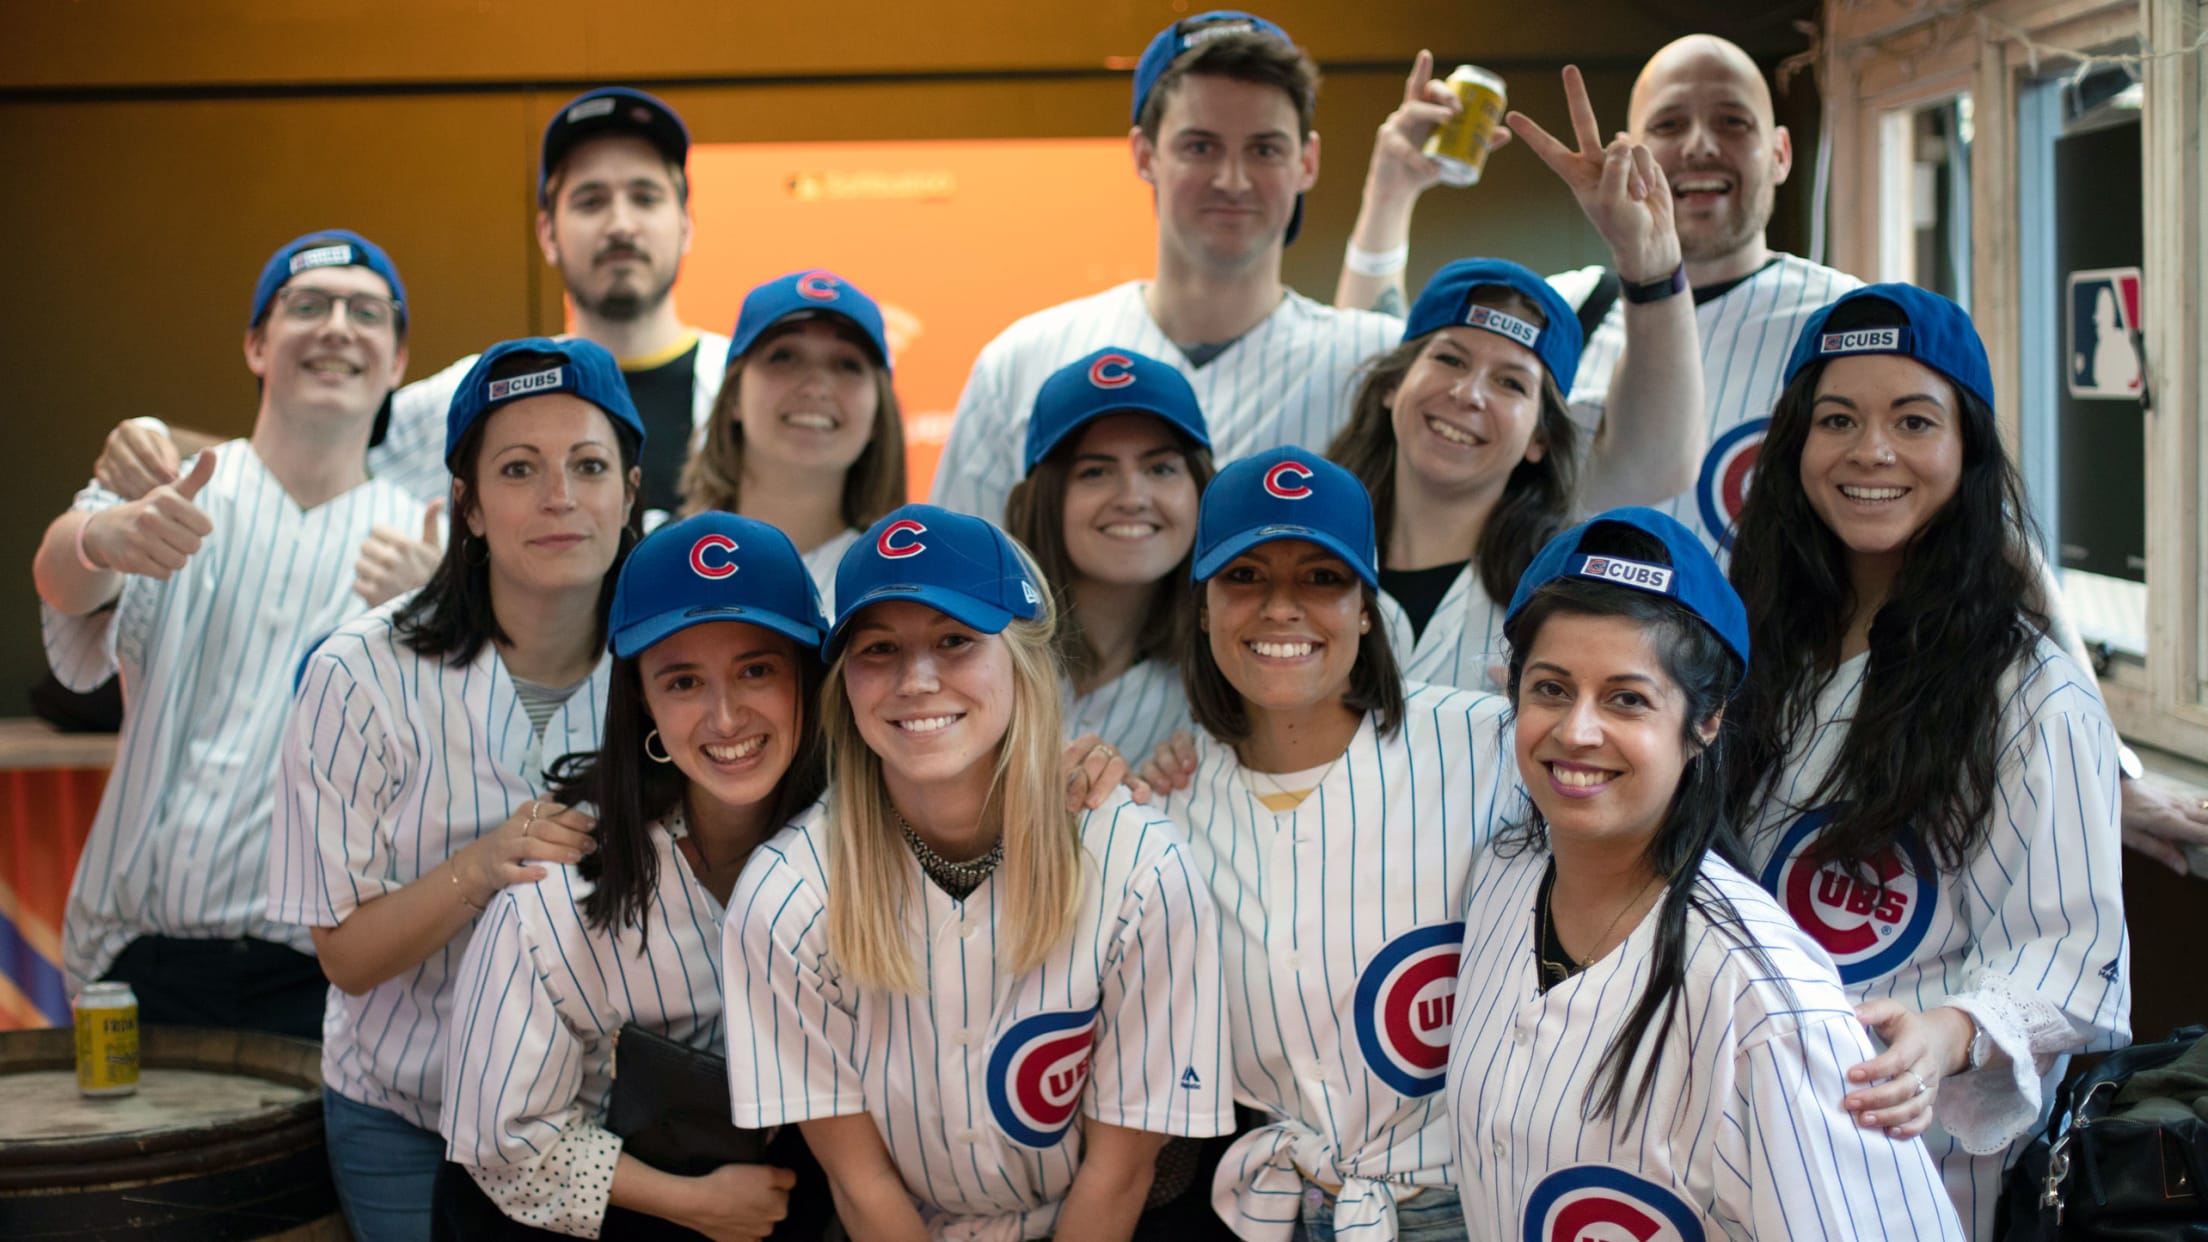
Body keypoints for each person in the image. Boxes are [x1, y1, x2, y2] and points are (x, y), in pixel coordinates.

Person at [1334, 32, 2208, 882]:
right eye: (1669, 124)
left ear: (1782, 153)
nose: (1698, 146)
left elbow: (1995, 540)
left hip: (1776, 741)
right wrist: (1391, 193)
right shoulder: (1569, 314)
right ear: (1632, 149)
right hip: (1590, 739)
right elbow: (1381, 357)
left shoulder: (1844, 322)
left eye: (1733, 122)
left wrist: (2109, 767)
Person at [1723, 285, 2131, 1238]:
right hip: (1724, 1124)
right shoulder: (1745, 646)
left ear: (1967, 448)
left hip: (1906, 1159)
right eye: (1837, 420)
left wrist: (1951, 1035)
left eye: (1914, 421)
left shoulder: (2028, 692)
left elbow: (2074, 955)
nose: (1872, 452)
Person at [1447, 507, 1963, 1239]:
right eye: (1552, 689)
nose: (1577, 731)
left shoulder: (1768, 1001)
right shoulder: (1502, 879)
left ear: (1706, 721)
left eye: (1627, 699)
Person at [725, 504, 1231, 1241]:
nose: (916, 679)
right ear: (844, 683)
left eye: (955, 640)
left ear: (1023, 661)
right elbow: (861, 1185)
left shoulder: (1139, 864)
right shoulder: (786, 894)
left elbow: (1119, 1174)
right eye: (878, 648)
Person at [268, 337, 643, 1241]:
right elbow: (345, 955)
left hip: (602, 1124)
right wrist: (482, 866)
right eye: (519, 469)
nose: (559, 496)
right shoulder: (360, 674)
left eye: (589, 466)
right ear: (466, 505)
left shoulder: (671, 668)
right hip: (406, 1114)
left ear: (630, 495)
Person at [96, 85, 723, 599]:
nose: (620, 223)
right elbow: (309, 453)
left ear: (687, 224)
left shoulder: (743, 385)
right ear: (547, 233)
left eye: (645, 197)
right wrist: (158, 441)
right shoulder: (485, 391)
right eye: (590, 201)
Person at [29, 229, 422, 1037]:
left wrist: (436, 616)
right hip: (141, 956)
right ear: (256, 344)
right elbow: (60, 578)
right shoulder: (169, 488)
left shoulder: (425, 544)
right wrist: (99, 537)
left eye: (365, 313)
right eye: (307, 306)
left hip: (331, 981)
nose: (337, 328)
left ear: (398, 361)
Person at [1148, 448, 1515, 1241]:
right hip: (1282, 1206)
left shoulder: (1488, 745)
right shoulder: (1165, 806)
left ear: (1367, 609)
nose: (1281, 608)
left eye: (1322, 578)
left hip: (1481, 1203)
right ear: (1204, 608)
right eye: (1245, 576)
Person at [436, 512, 831, 1241]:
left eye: (757, 670)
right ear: (641, 699)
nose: (725, 717)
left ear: (809, 675)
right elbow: (500, 1139)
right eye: (683, 681)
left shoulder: (863, 846)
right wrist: (694, 1204)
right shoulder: (559, 885)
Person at [930, 10, 1399, 522]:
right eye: (1200, 147)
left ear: (1307, 162)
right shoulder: (1021, 365)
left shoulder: (1371, 363)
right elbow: (957, 567)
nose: (1233, 180)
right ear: (1144, 154)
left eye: (1265, 149)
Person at [1328, 250, 1696, 692]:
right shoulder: (1302, 547)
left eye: (1510, 383)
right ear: (1393, 384)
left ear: (1540, 438)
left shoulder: (1566, 600)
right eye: (1450, 360)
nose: (1469, 394)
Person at [1003, 347, 1213, 761]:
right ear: (1044, 499)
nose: (1133, 498)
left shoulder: (1232, 671)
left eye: (1161, 469)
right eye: (1095, 472)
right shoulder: (981, 649)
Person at [678, 269, 907, 600]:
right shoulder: (661, 566)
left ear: (878, 414)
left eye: (847, 364)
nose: (815, 387)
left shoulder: (901, 588)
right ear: (733, 398)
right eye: (784, 356)